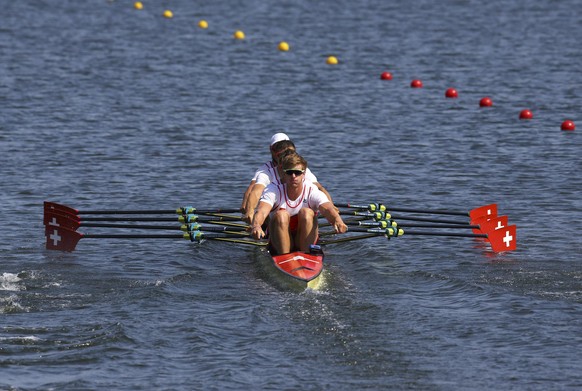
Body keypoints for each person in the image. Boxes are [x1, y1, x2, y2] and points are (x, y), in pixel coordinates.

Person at [250, 152, 347, 255]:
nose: (293, 176)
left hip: (303, 236)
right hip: (278, 237)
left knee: (307, 212)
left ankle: (306, 254)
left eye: (297, 172)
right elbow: (262, 211)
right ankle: (284, 255)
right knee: (281, 215)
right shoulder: (273, 190)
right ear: (283, 173)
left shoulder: (311, 190)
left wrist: (337, 220)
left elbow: (327, 208)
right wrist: (256, 226)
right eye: (289, 172)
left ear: (303, 174)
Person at [240, 132, 334, 223]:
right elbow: (254, 190)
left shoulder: (300, 169)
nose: (287, 156)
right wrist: (250, 211)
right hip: (275, 213)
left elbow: (320, 188)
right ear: (273, 151)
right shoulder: (265, 172)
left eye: (290, 152)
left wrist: (331, 208)